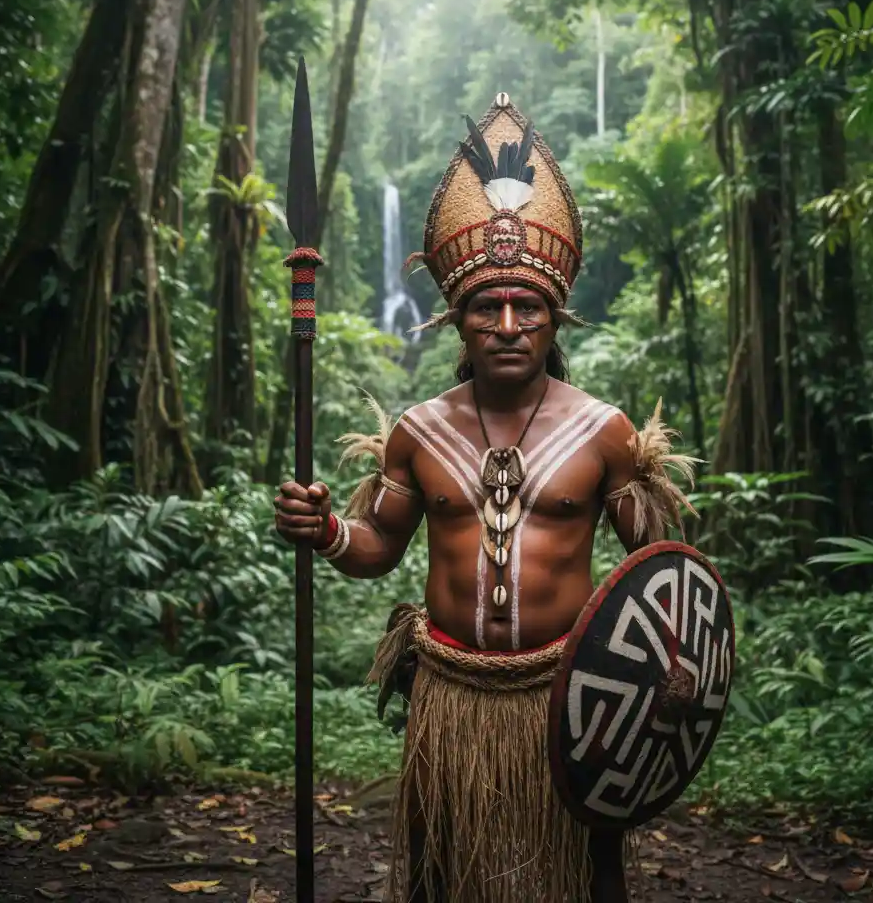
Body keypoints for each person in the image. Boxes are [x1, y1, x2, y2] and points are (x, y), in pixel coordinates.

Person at [274, 94, 696, 903]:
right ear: (457, 322)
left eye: (527, 306)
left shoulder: (605, 435)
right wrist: (326, 529)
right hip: (452, 696)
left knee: (588, 869)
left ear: (553, 320)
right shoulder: (418, 434)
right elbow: (377, 552)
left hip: (570, 697)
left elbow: (658, 577)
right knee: (443, 872)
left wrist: (671, 673)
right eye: (485, 307)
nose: (508, 323)